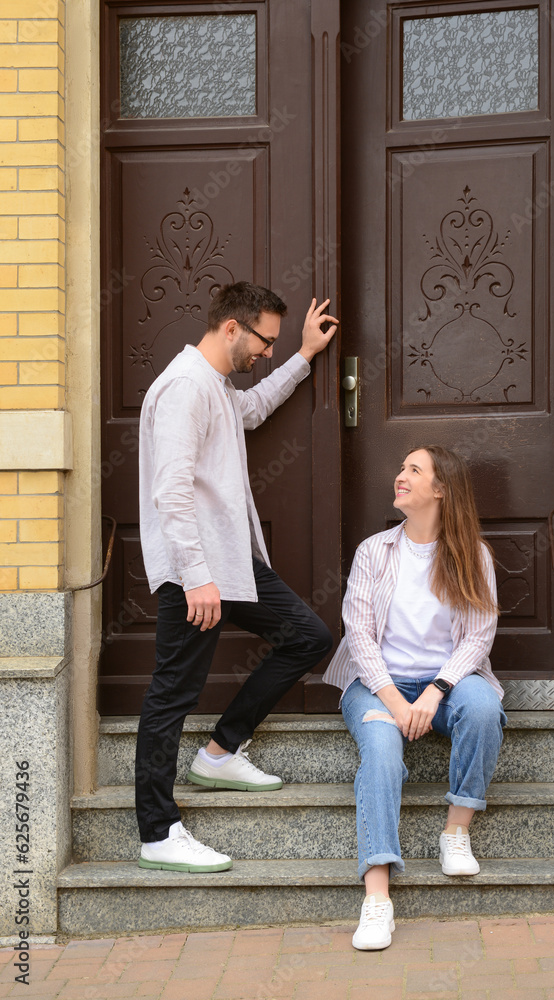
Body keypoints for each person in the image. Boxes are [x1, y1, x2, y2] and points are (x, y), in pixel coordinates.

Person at [136, 281, 338, 873]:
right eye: (265, 341)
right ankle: (157, 831)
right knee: (172, 693)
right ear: (231, 328)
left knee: (308, 637)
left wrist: (304, 356)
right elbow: (170, 491)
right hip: (195, 570)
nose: (266, 352)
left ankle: (222, 751)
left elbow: (251, 410)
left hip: (226, 562)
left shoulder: (216, 386)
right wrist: (197, 577)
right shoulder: (183, 387)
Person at [322, 446, 506, 950]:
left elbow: (477, 636)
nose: (400, 476)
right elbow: (357, 634)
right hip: (376, 684)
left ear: (440, 488)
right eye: (401, 467)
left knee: (484, 707)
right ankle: (377, 899)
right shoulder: (374, 551)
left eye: (413, 470)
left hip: (443, 683)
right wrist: (396, 703)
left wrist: (436, 690)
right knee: (381, 754)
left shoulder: (473, 555)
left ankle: (456, 830)